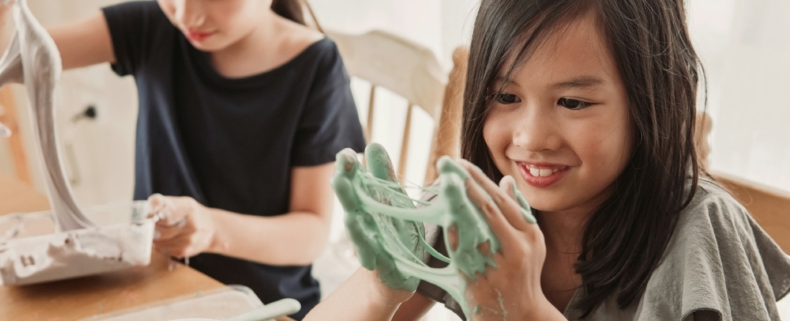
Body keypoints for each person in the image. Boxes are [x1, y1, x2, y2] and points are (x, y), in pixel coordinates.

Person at [305, 0, 790, 320]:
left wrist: (524, 308)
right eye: (505, 96)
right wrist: (377, 288)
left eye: (573, 103)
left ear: (650, 106)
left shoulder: (703, 233)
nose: (530, 138)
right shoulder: (476, 206)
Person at [0, 0, 365, 318]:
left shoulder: (316, 66)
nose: (186, 13)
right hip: (153, 289)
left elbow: (310, 234)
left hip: (264, 304)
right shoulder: (152, 25)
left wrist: (212, 229)